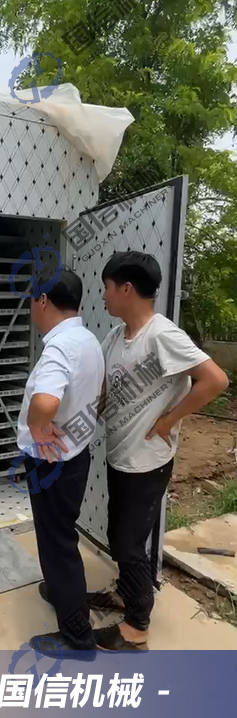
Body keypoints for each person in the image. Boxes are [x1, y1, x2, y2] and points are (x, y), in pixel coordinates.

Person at [91, 251, 228, 651]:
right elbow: (105, 393)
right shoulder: (116, 337)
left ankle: (137, 627)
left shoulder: (162, 335)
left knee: (128, 543)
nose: (103, 296)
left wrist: (168, 421)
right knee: (121, 535)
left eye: (106, 287)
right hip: (121, 455)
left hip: (147, 462)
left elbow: (215, 380)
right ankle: (126, 593)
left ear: (126, 289)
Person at [17, 266, 104, 656]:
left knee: (57, 543)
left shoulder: (58, 347)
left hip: (51, 462)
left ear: (43, 300)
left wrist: (38, 428)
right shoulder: (88, 340)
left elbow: (45, 401)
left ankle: (77, 638)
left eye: (32, 300)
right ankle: (59, 591)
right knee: (60, 534)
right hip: (74, 456)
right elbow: (100, 390)